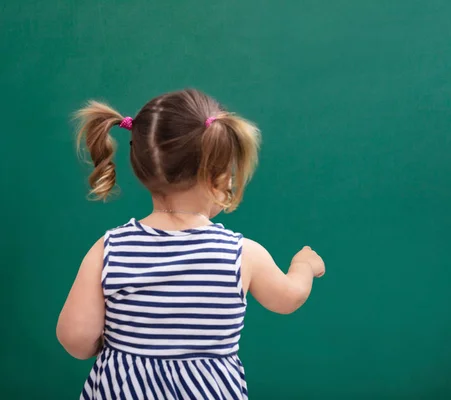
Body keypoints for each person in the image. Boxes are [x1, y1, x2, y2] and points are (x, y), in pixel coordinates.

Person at [56, 89, 325, 399]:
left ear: (142, 168)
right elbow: (288, 298)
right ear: (219, 175)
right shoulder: (241, 253)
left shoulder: (109, 249)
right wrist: (303, 265)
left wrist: (126, 347)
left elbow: (75, 338)